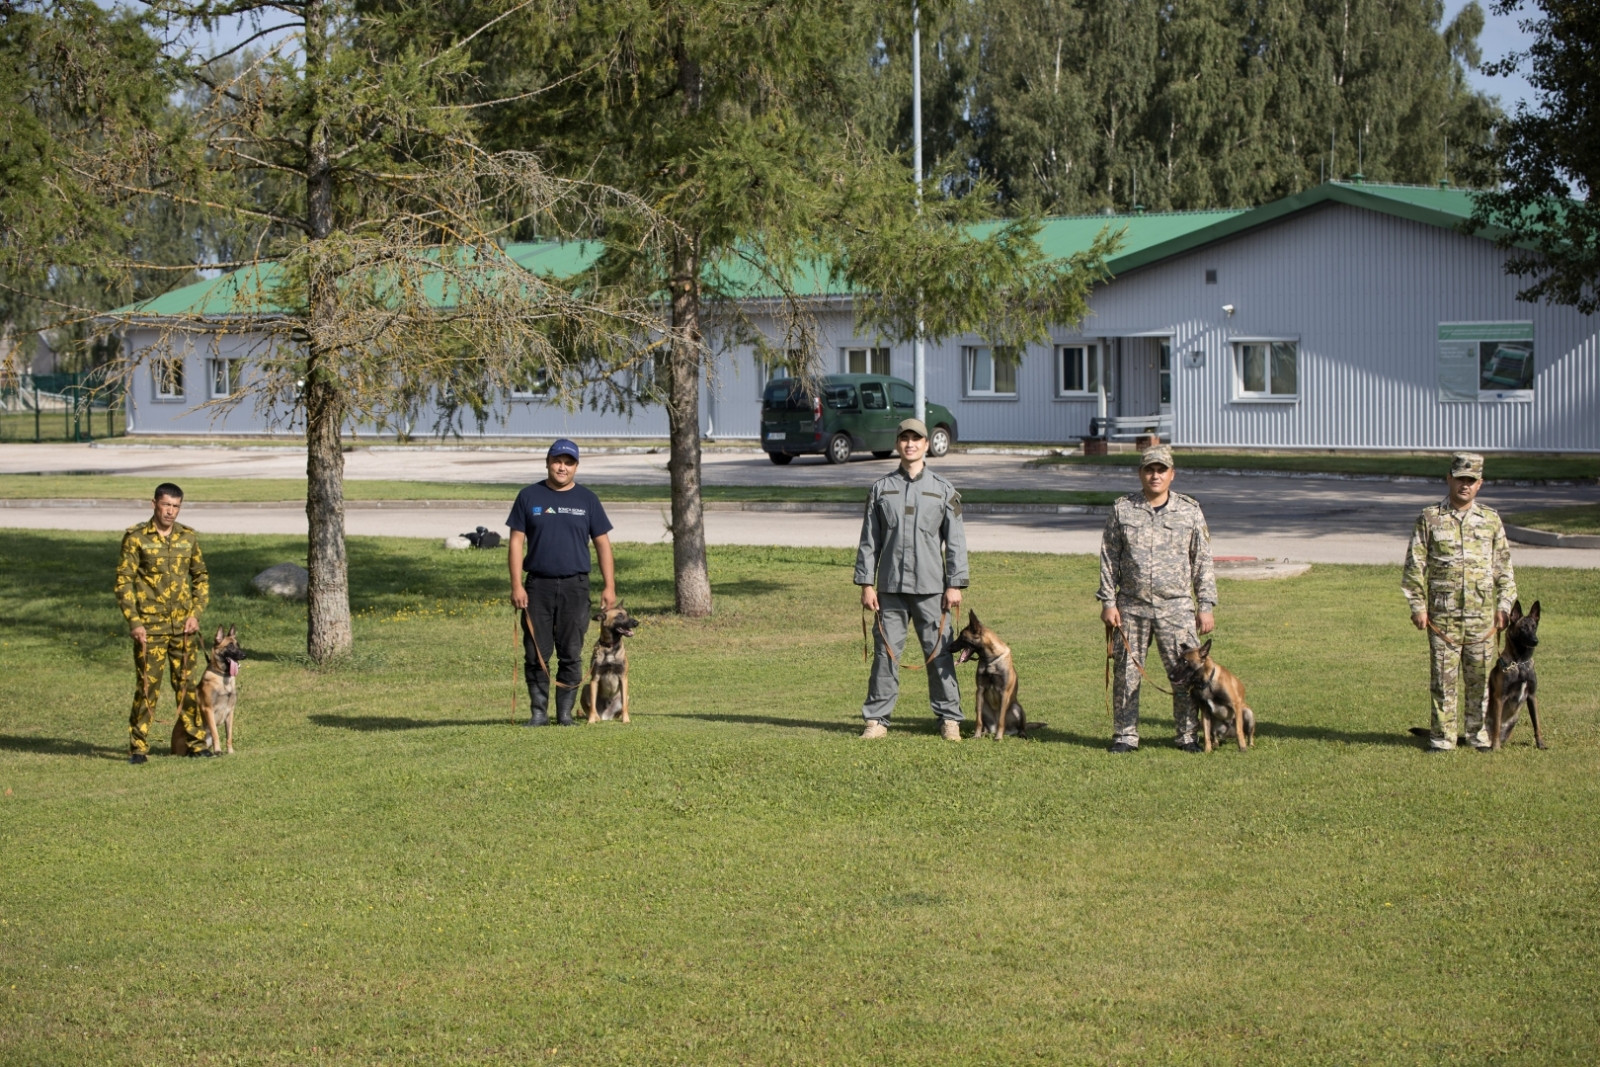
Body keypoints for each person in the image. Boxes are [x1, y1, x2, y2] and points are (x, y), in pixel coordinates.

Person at [854, 418, 968, 740]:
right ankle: (876, 721)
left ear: (926, 444)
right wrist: (866, 583)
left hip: (933, 591)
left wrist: (955, 584)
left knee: (940, 656)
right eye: (904, 438)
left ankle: (949, 720)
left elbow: (956, 542)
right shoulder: (880, 489)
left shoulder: (945, 491)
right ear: (898, 444)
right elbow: (869, 541)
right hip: (889, 589)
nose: (910, 444)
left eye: (916, 439)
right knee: (885, 656)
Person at [1097, 445, 1217, 753]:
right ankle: (1125, 735)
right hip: (1131, 607)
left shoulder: (1189, 511)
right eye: (1149, 469)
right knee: (1126, 674)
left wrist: (1205, 606)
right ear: (1140, 473)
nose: (1155, 475)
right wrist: (1108, 602)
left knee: (1185, 674)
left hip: (1176, 607)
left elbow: (1202, 561)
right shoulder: (1123, 509)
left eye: (1161, 470)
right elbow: (1109, 557)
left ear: (1172, 475)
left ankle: (1187, 735)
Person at [1401, 452, 1516, 752]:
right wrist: (1418, 607)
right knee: (1443, 682)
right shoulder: (1430, 518)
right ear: (1449, 479)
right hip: (1443, 619)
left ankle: (1478, 736)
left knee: (1480, 683)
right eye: (1460, 479)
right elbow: (1415, 566)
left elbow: (1504, 570)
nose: (1465, 485)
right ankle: (1442, 739)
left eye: (1471, 480)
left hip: (1482, 620)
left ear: (1480, 484)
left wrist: (1504, 608)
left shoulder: (1490, 520)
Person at [507, 439, 617, 726]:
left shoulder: (587, 500)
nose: (562, 467)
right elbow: (516, 543)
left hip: (575, 587)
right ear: (547, 462)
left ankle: (565, 714)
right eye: (558, 461)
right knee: (536, 653)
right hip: (537, 587)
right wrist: (517, 585)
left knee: (571, 652)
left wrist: (609, 586)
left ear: (576, 466)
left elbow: (603, 544)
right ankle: (538, 713)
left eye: (569, 463)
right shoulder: (528, 496)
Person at [115, 482, 211, 763]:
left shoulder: (188, 538)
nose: (171, 512)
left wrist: (195, 613)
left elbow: (201, 577)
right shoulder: (136, 538)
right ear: (154, 503)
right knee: (147, 687)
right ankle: (139, 748)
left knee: (187, 687)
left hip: (183, 629)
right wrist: (134, 622)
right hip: (150, 628)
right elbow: (124, 583)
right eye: (167, 505)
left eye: (176, 506)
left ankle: (195, 744)